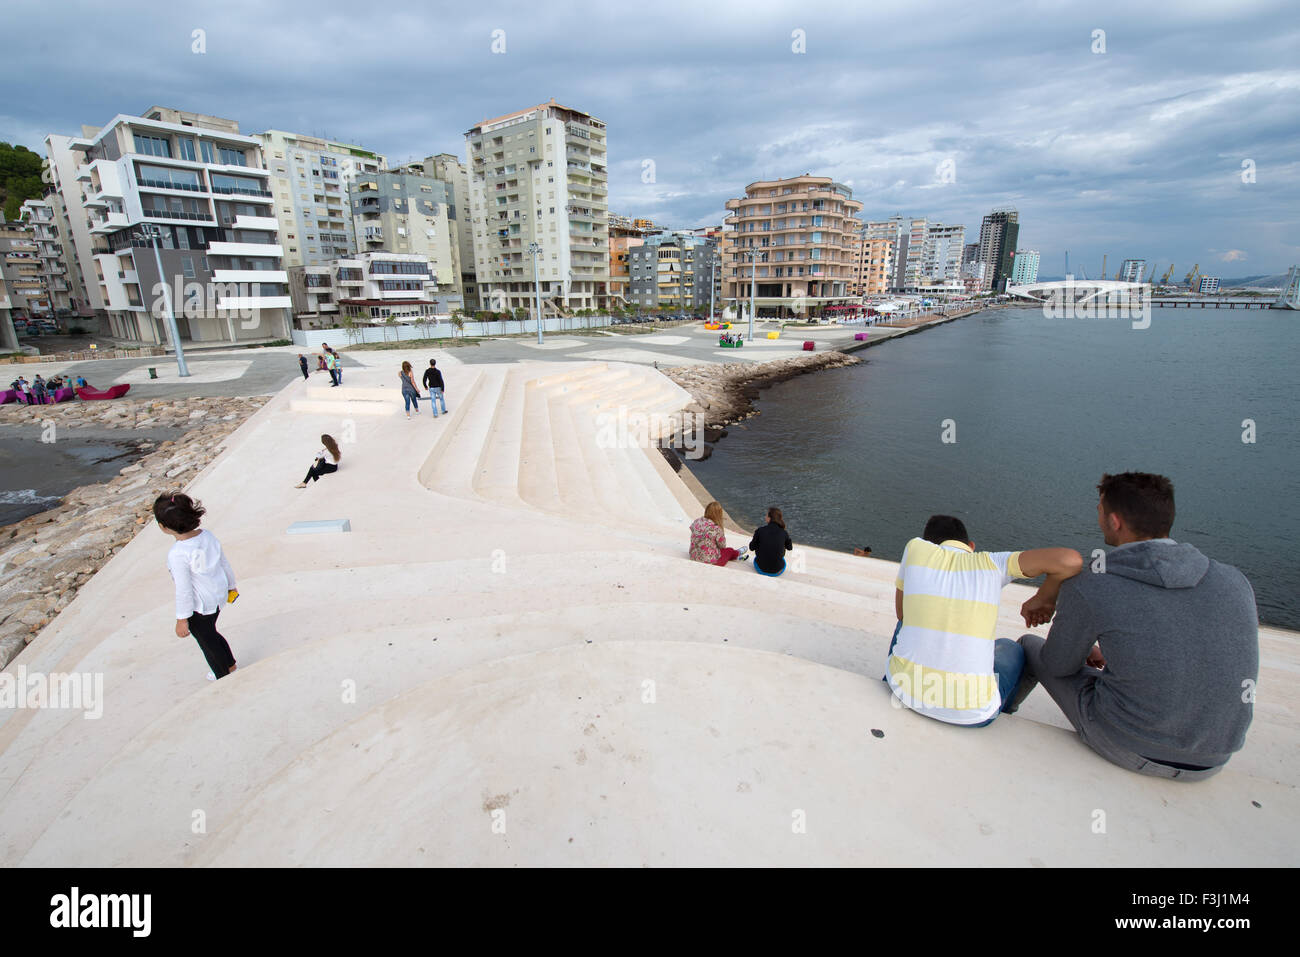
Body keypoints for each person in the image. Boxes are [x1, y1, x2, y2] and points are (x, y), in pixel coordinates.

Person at [1005, 473, 1259, 779]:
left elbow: (1058, 666)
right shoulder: (1234, 580)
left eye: (1098, 508)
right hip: (1214, 758)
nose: (1096, 514)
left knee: (1031, 646)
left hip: (1128, 744)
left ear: (1114, 522)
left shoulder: (1093, 585)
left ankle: (1001, 717)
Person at [886, 514, 1082, 728]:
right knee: (1011, 647)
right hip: (973, 716)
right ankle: (1005, 707)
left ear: (929, 544)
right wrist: (1044, 598)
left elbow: (902, 614)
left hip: (902, 691)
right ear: (971, 545)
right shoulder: (994, 564)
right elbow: (1070, 560)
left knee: (907, 617)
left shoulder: (915, 548)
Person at [153, 492, 238, 681]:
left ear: (163, 527)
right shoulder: (207, 536)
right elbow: (223, 562)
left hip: (200, 606)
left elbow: (184, 589)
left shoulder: (178, 554)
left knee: (206, 641)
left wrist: (182, 619)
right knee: (211, 633)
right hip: (218, 594)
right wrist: (232, 586)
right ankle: (230, 664)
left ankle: (222, 675)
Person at [689, 501, 748, 566]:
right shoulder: (716, 528)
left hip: (693, 555)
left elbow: (692, 529)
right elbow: (722, 546)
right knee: (729, 551)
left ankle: (735, 554)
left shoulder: (697, 521)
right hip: (710, 561)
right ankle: (737, 553)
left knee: (720, 550)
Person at [750, 506, 793, 576]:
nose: (765, 517)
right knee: (782, 559)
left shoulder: (760, 530)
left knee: (757, 558)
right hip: (777, 571)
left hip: (761, 569)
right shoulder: (784, 532)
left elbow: (751, 548)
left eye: (766, 515)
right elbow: (790, 548)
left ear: (770, 518)